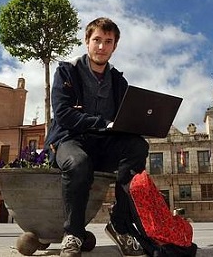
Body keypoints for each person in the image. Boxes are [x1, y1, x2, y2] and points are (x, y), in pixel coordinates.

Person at [44, 17, 148, 257]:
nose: (101, 47)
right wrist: (102, 123)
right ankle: (73, 233)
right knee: (78, 162)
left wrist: (139, 123)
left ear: (115, 46)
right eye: (97, 40)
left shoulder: (119, 81)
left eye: (108, 41)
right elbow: (63, 114)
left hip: (104, 145)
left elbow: (123, 119)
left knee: (138, 147)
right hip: (70, 140)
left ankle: (120, 225)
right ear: (86, 41)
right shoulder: (66, 71)